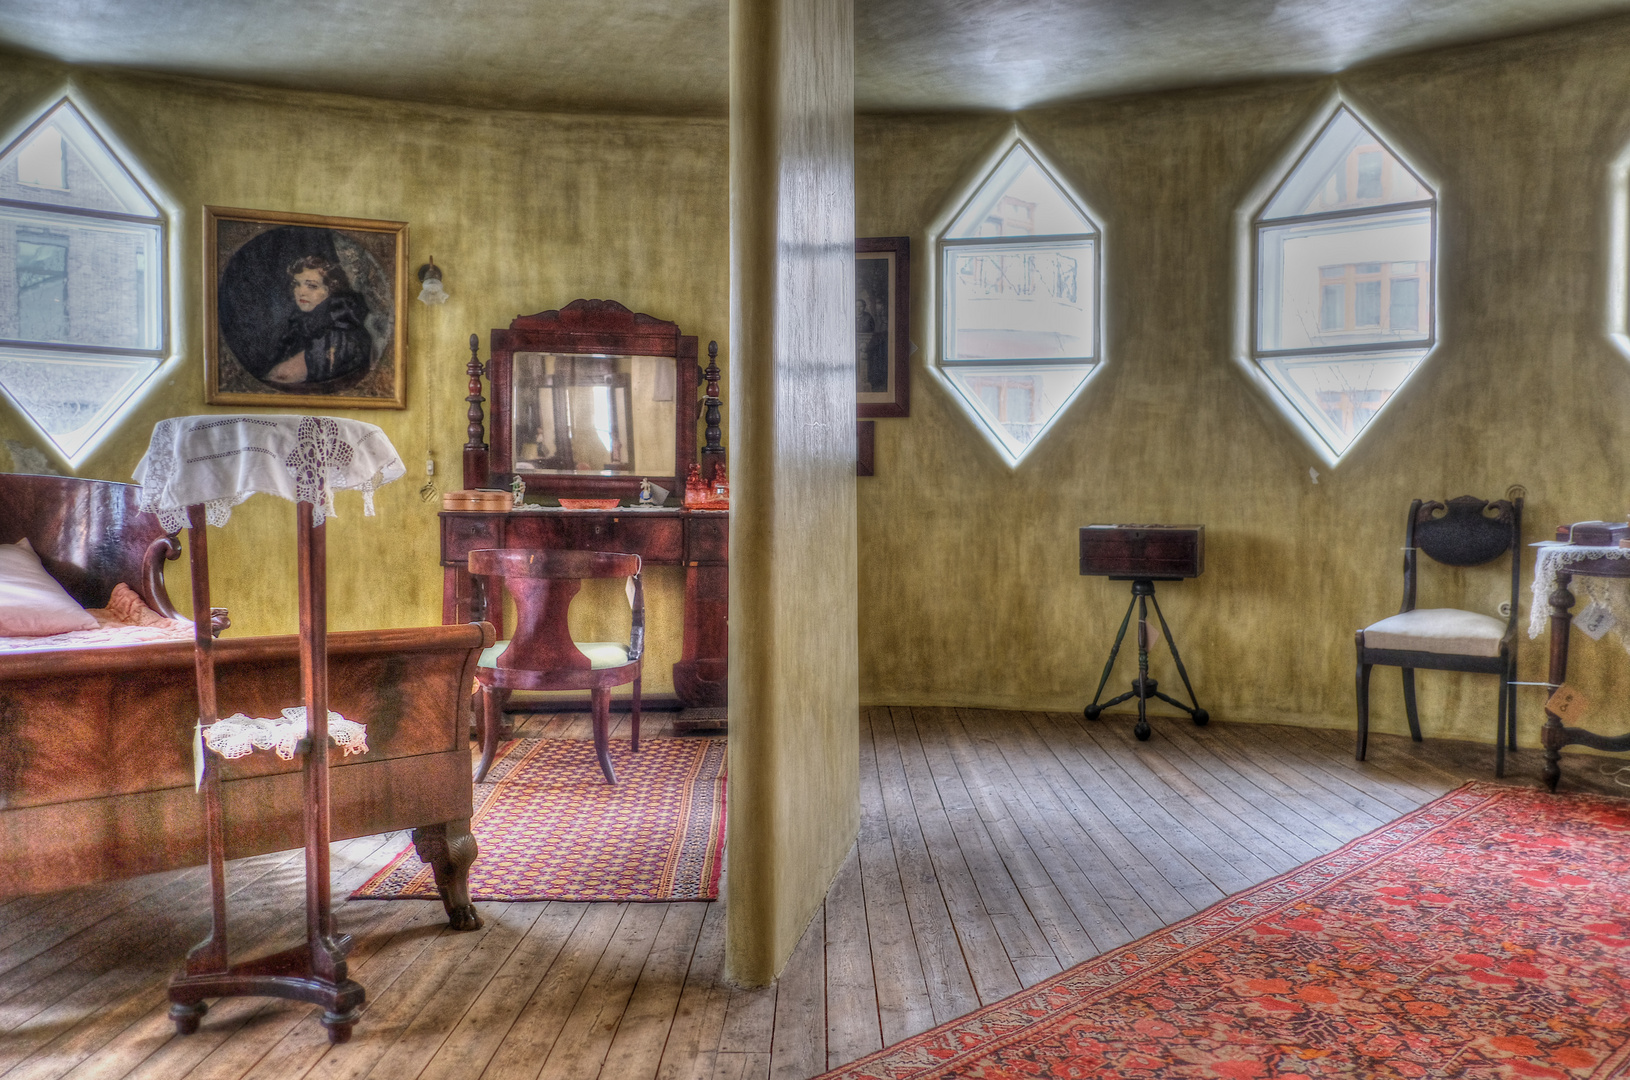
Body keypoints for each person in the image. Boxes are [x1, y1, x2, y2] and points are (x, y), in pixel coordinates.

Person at [265, 255, 373, 386]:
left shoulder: (339, 331)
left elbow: (283, 375)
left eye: (312, 286)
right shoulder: (306, 322)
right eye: (297, 284)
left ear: (332, 289)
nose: (301, 292)